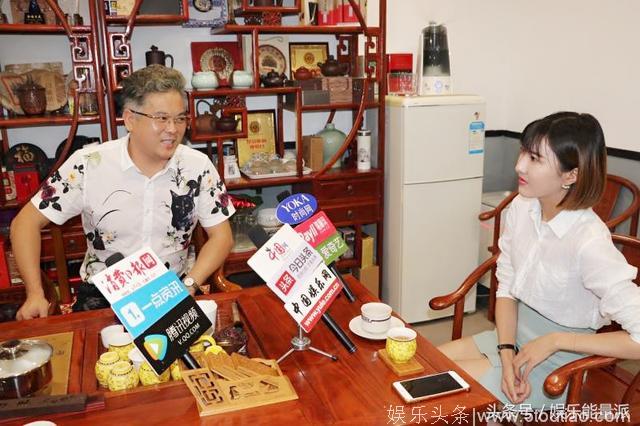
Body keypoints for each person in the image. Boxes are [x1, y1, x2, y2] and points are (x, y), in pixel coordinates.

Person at [438, 112, 640, 409]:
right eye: (523, 152)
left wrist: (558, 340)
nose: (519, 165)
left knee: (436, 396)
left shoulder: (589, 241)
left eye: (535, 159)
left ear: (571, 175)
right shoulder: (523, 207)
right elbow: (506, 287)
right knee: (423, 367)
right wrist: (506, 352)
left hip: (557, 368)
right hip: (509, 338)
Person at [12, 65, 235, 319]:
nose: (173, 129)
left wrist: (189, 285)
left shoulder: (198, 166)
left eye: (180, 118)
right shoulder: (88, 164)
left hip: (171, 293)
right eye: (161, 118)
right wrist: (34, 294)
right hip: (103, 298)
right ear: (130, 119)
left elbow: (222, 237)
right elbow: (24, 223)